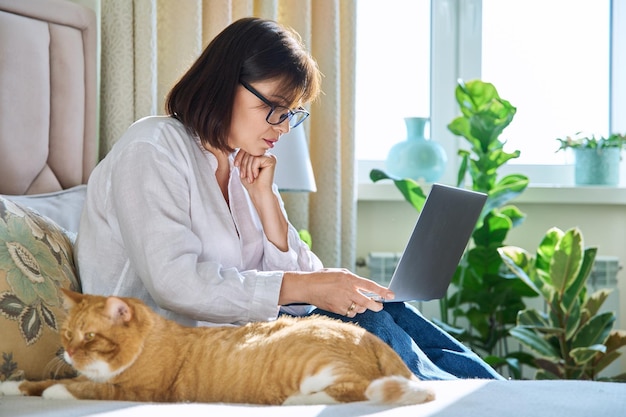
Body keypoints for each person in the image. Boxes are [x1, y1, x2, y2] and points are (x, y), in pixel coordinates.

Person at [75, 17, 502, 381]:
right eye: (276, 108)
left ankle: (491, 394)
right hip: (156, 355)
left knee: (392, 313)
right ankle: (450, 398)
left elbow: (302, 287)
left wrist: (268, 206)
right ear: (225, 83)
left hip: (229, 342)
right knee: (363, 323)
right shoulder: (152, 147)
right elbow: (175, 282)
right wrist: (308, 287)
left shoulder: (246, 163)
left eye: (292, 114)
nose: (282, 127)